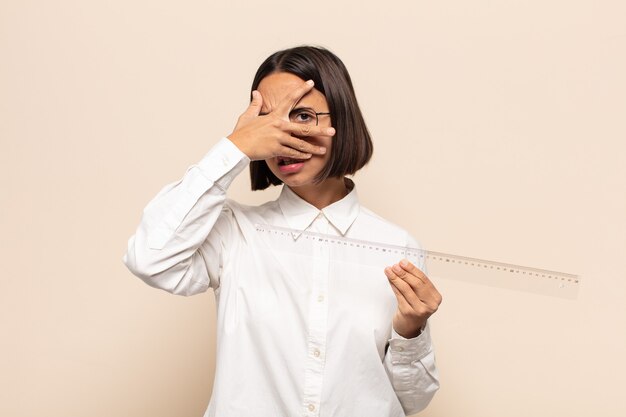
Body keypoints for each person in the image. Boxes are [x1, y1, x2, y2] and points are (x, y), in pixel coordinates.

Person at [123, 45, 442, 417]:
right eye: (267, 122)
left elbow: (412, 401)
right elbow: (150, 259)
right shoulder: (232, 232)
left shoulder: (397, 247)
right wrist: (234, 148)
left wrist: (410, 331)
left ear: (342, 118)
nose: (284, 137)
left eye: (302, 115)